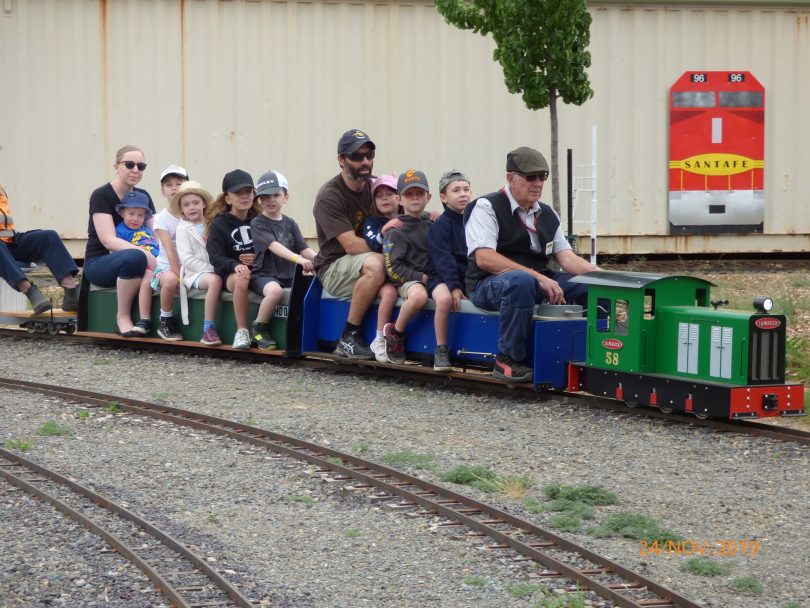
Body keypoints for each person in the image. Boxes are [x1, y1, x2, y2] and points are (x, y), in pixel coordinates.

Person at [464, 146, 598, 383]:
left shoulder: (547, 213)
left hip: (537, 280)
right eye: (530, 177)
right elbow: (484, 257)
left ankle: (596, 353)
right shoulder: (486, 207)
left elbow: (566, 258)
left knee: (591, 288)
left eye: (542, 177)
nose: (538, 183)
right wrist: (538, 277)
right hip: (487, 283)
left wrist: (606, 277)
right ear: (510, 178)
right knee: (521, 281)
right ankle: (507, 359)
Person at [313, 128, 386, 360]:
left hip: (369, 262)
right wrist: (393, 248)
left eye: (369, 154)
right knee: (377, 264)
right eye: (357, 156)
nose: (365, 161)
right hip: (333, 267)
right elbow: (352, 246)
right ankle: (349, 336)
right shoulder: (330, 195)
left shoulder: (378, 188)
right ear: (341, 160)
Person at [84, 145, 155, 336]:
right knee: (134, 256)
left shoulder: (143, 196)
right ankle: (122, 317)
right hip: (100, 263)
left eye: (141, 166)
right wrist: (145, 253)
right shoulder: (101, 195)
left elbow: (155, 232)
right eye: (130, 164)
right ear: (116, 166)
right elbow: (108, 240)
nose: (135, 170)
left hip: (140, 259)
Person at [249, 170, 316, 350]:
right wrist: (299, 259)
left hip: (288, 275)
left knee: (311, 287)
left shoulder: (290, 223)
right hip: (264, 275)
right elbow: (274, 246)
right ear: (259, 200)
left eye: (276, 195)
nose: (271, 200)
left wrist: (321, 259)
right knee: (275, 292)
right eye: (265, 196)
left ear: (285, 197)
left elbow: (304, 248)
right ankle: (259, 328)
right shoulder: (258, 223)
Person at [381, 170, 434, 366]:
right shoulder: (396, 229)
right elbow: (392, 268)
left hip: (433, 276)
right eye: (408, 194)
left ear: (429, 197)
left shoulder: (435, 222)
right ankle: (396, 333)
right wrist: (421, 277)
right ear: (399, 199)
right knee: (419, 296)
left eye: (419, 193)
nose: (414, 198)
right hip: (407, 281)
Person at [0, 184, 80, 314]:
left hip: (9, 241)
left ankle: (71, 289)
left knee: (48, 236)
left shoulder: (1, 191)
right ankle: (29, 290)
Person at [206, 169, 259, 350]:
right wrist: (235, 264)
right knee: (242, 276)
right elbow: (215, 257)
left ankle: (264, 329)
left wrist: (257, 257)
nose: (244, 197)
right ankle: (242, 331)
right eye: (238, 193)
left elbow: (272, 247)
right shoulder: (220, 224)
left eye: (248, 192)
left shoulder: (259, 220)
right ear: (227, 199)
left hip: (260, 272)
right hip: (231, 276)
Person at [426, 169, 472, 371]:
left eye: (466, 189)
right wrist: (453, 287)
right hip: (440, 277)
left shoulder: (474, 222)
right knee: (444, 299)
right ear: (443, 197)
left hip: (466, 276)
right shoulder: (440, 226)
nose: (463, 194)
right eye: (456, 190)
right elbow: (443, 260)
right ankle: (441, 349)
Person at [172, 180, 223, 346]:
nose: (191, 207)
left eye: (195, 203)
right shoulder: (183, 229)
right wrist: (214, 269)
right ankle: (208, 329)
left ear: (204, 204)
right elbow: (187, 260)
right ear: (181, 209)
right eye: (186, 204)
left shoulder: (213, 223)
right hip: (195, 273)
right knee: (215, 281)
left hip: (217, 268)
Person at [363, 174, 401, 362]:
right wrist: (384, 229)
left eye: (389, 193)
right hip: (383, 276)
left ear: (399, 197)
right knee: (390, 294)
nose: (384, 198)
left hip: (404, 273)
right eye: (379, 196)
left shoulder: (408, 217)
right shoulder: (372, 222)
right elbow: (372, 244)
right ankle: (379, 339)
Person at [150, 165, 188, 341]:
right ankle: (165, 318)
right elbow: (168, 249)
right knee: (172, 280)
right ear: (162, 190)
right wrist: (178, 273)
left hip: (191, 266)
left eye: (179, 183)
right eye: (168, 185)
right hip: (167, 268)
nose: (174, 188)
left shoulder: (194, 213)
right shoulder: (161, 219)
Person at [115, 191, 160, 331]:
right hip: (144, 264)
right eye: (131, 214)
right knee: (147, 280)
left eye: (140, 215)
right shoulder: (120, 231)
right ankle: (145, 320)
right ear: (122, 212)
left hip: (159, 261)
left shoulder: (146, 229)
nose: (135, 218)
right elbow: (117, 251)